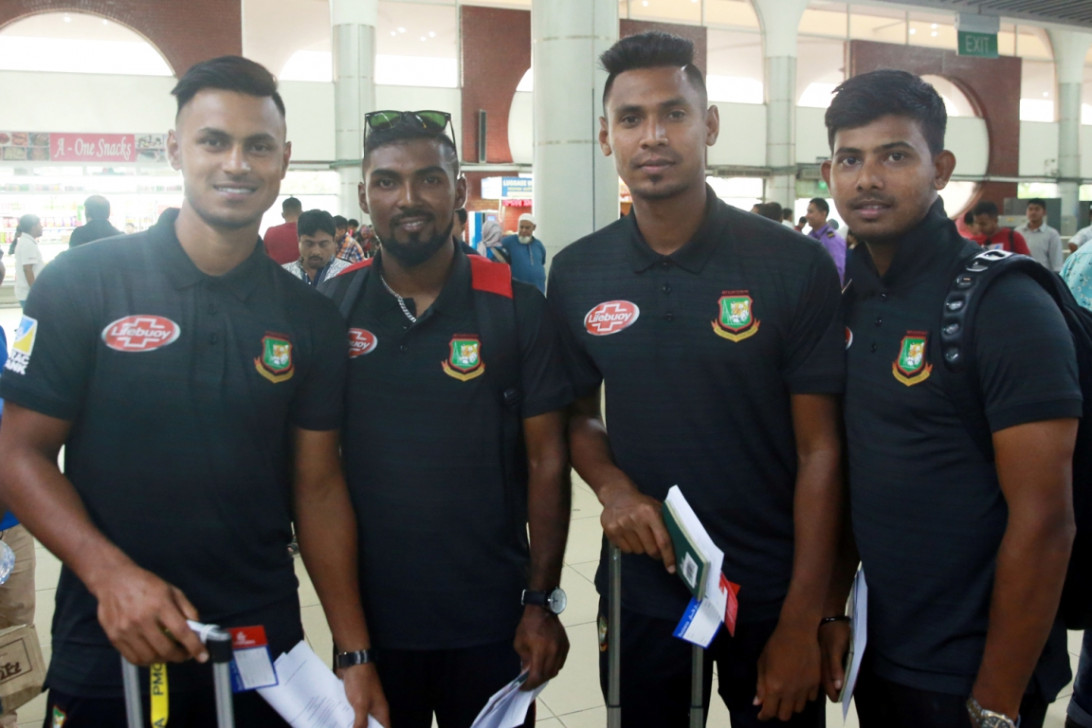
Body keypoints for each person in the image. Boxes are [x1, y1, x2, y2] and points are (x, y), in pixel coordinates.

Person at [0, 55, 386, 728]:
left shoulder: (309, 318)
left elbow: (318, 488)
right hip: (108, 641)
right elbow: (17, 454)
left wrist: (354, 652)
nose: (236, 162)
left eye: (258, 145)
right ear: (176, 148)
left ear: (284, 159)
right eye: (214, 141)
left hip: (262, 651)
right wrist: (108, 573)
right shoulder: (82, 282)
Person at [547, 31, 844, 726]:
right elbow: (576, 412)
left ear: (708, 125)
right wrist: (613, 488)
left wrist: (804, 619)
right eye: (631, 119)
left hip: (770, 589)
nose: (653, 136)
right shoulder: (579, 272)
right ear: (605, 137)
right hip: (645, 584)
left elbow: (822, 450)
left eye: (674, 113)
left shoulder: (791, 266)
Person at [821, 69, 1079, 728]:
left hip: (975, 670)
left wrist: (994, 701)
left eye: (894, 156)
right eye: (850, 159)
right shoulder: (850, 304)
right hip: (883, 654)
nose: (867, 178)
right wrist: (833, 611)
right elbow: (859, 470)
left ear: (941, 168)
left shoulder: (1005, 304)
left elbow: (1047, 520)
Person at [326, 108, 572, 728]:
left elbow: (548, 461)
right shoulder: (329, 310)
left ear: (458, 190)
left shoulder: (517, 307)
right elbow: (315, 474)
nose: (408, 199)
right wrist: (350, 644)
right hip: (375, 624)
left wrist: (541, 601)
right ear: (364, 195)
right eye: (386, 182)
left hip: (493, 620)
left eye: (429, 179)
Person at [281, 208, 350, 286]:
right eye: (309, 244)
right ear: (299, 240)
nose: (316, 251)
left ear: (334, 241)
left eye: (323, 244)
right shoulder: (282, 275)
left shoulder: (348, 273)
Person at [498, 213, 547, 293]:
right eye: (521, 227)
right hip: (517, 292)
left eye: (527, 228)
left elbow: (542, 261)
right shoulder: (509, 242)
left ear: (534, 228)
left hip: (538, 291)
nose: (523, 230)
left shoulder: (538, 245)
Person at [805, 197, 847, 283]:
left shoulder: (832, 240)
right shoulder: (810, 236)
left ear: (823, 214)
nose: (806, 216)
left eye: (810, 212)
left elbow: (839, 271)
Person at [1017, 197, 1063, 271]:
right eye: (1030, 209)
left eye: (1037, 209)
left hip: (1042, 277)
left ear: (1044, 212)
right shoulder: (1018, 232)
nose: (1033, 212)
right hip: (1022, 275)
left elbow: (1057, 262)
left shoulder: (1052, 234)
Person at [12, 214, 43, 309]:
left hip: (26, 293)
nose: (42, 227)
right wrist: (35, 291)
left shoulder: (25, 241)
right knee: (33, 321)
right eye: (40, 224)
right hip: (29, 294)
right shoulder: (28, 244)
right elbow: (28, 269)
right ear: (33, 227)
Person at [263, 196, 303, 264]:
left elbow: (264, 257)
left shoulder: (270, 232)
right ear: (302, 213)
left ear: (282, 215)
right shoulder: (307, 233)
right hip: (302, 274)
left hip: (275, 273)